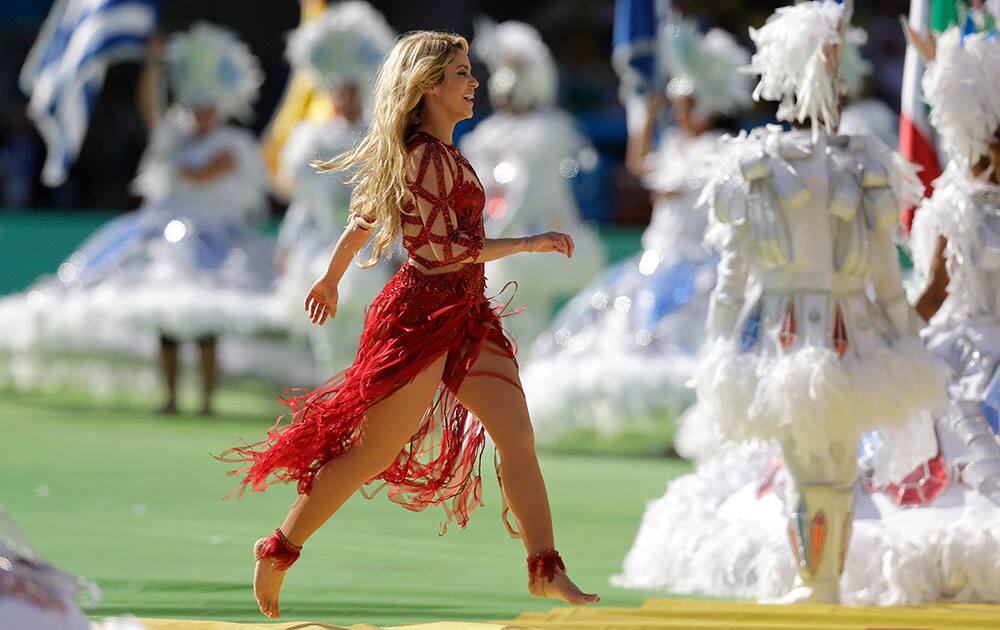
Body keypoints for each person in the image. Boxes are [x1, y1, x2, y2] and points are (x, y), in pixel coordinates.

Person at [219, 31, 600, 619]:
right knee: (370, 452)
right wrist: (528, 241)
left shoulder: (437, 154)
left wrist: (331, 277)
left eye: (471, 72)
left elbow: (364, 220)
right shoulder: (425, 157)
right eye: (461, 74)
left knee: (517, 437)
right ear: (427, 87)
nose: (474, 83)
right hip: (422, 316)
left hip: (466, 311)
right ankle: (279, 550)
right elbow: (444, 251)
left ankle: (545, 568)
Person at [616, 1, 948, 605]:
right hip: (812, 333)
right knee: (817, 463)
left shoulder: (838, 164)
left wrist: (904, 336)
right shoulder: (787, 165)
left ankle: (819, 583)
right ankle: (817, 582)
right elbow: (746, 274)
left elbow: (870, 270)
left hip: (822, 332)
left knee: (826, 463)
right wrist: (721, 345)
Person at [0, 24, 278, 412]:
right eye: (195, 106)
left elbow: (201, 172)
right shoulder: (174, 135)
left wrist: (169, 157)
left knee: (205, 320)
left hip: (212, 241)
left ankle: (207, 398)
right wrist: (152, 65)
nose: (200, 115)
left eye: (207, 107)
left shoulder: (231, 146)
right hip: (167, 238)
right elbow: (151, 106)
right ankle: (170, 396)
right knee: (166, 320)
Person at [519, 18, 751, 442]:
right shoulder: (678, 147)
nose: (680, 114)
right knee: (628, 338)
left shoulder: (721, 152)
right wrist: (647, 118)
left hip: (700, 267)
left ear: (710, 105)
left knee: (683, 345)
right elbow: (640, 166)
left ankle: (687, 429)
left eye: (687, 105)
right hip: (656, 262)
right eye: (678, 107)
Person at [460, 19, 606, 346]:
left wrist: (490, 240)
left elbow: (529, 196)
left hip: (539, 243)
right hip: (505, 244)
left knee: (536, 324)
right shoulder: (487, 136)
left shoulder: (547, 134)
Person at [275, 1, 397, 377]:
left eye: (352, 88)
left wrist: (398, 251)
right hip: (324, 248)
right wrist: (288, 243)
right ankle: (331, 412)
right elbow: (304, 203)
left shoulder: (381, 139)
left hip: (370, 254)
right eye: (339, 88)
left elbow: (394, 202)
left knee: (368, 338)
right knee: (327, 340)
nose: (346, 96)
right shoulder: (312, 139)